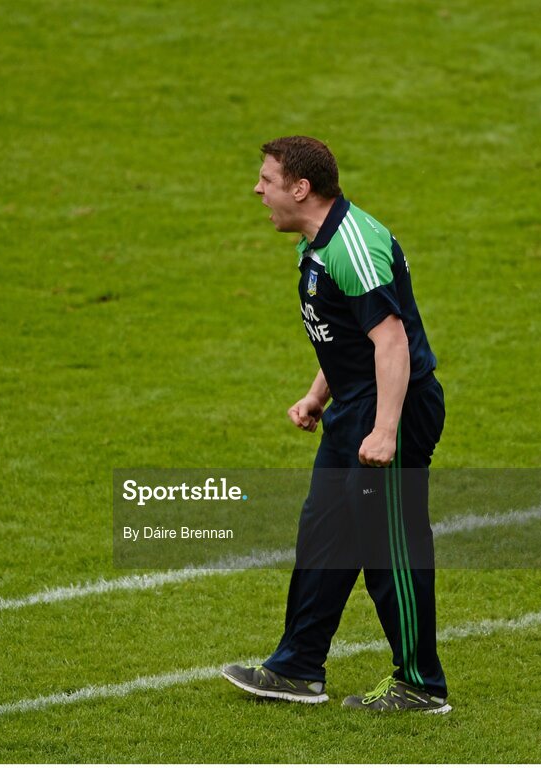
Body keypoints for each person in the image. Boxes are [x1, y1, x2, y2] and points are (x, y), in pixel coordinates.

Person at [221, 136, 451, 713]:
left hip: (389, 407)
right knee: (323, 533)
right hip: (353, 405)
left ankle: (421, 685)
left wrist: (385, 428)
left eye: (266, 180)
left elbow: (390, 340)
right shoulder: (316, 244)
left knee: (387, 544)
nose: (258, 189)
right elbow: (347, 337)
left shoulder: (350, 246)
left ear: (301, 188)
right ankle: (297, 667)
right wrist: (318, 393)